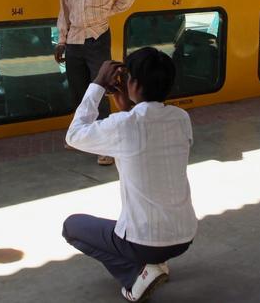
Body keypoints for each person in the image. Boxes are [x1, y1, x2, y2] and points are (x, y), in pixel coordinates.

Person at [62, 48, 195, 302]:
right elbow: (145, 137)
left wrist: (98, 83)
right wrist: (127, 106)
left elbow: (74, 135)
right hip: (184, 236)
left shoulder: (125, 126)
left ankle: (136, 276)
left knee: (72, 226)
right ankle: (156, 263)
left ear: (132, 83)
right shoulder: (182, 118)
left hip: (144, 241)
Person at [55, 0, 138, 166]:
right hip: (74, 39)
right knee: (79, 91)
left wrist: (108, 11)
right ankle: (81, 136)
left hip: (97, 37)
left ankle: (106, 148)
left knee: (100, 90)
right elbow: (64, 8)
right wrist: (61, 40)